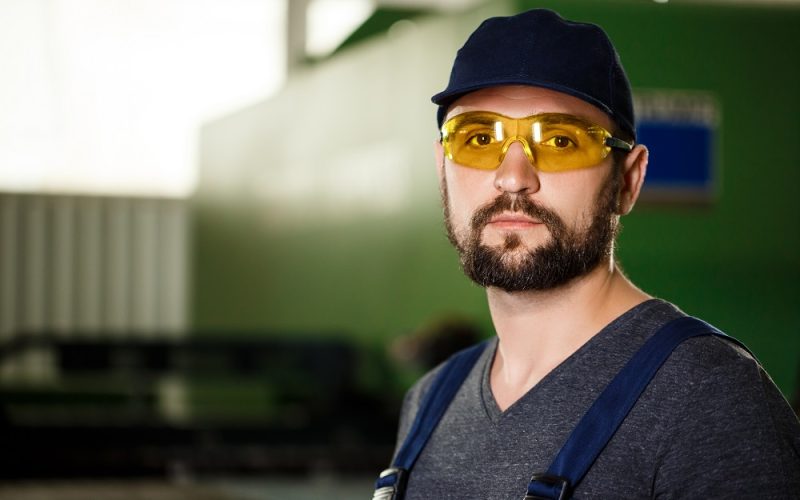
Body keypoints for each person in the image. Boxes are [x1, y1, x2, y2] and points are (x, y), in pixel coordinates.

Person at [379, 9, 800, 499]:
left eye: (560, 140)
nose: (513, 176)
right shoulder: (429, 402)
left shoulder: (708, 401)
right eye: (478, 138)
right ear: (442, 167)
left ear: (627, 180)